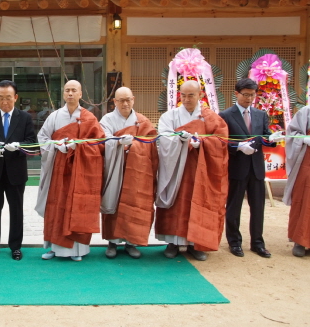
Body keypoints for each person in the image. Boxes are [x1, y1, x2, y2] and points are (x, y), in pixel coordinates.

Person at [155, 80, 229, 261]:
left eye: (191, 95)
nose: (186, 99)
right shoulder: (170, 116)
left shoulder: (211, 118)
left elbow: (221, 140)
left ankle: (196, 243)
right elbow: (163, 137)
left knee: (198, 203)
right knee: (176, 204)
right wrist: (181, 141)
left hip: (201, 168)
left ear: (200, 95)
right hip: (175, 168)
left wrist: (202, 143)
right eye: (184, 95)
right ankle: (172, 242)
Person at [35, 80, 105, 261]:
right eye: (67, 90)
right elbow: (42, 137)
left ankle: (77, 250)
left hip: (81, 171)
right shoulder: (55, 116)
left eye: (74, 90)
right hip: (59, 169)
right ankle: (52, 247)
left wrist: (79, 147)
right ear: (63, 94)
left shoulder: (89, 118)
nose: (71, 94)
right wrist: (56, 146)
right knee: (56, 205)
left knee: (78, 205)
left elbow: (100, 143)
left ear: (81, 94)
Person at [219, 78, 284, 258]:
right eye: (245, 95)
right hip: (237, 167)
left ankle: (257, 243)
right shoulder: (225, 115)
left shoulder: (260, 114)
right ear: (236, 94)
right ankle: (234, 242)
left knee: (258, 207)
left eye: (252, 95)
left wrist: (273, 138)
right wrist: (238, 147)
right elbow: (221, 141)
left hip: (256, 167)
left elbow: (266, 137)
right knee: (234, 206)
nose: (249, 99)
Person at [0, 80, 36, 261]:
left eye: (8, 98)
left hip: (16, 172)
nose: (4, 102)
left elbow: (32, 143)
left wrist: (19, 146)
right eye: (1, 98)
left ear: (15, 98)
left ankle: (15, 247)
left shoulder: (24, 118)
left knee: (16, 209)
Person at [100, 87, 158, 259]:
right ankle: (112, 242)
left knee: (134, 203)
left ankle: (131, 242)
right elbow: (103, 139)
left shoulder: (142, 121)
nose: (125, 103)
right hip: (115, 168)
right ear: (115, 102)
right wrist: (118, 143)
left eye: (128, 100)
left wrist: (135, 146)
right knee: (115, 202)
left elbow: (152, 144)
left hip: (137, 170)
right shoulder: (107, 119)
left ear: (133, 99)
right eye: (121, 100)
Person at [284, 105, 310, 257]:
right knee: (303, 197)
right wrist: (303, 140)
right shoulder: (306, 111)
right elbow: (292, 133)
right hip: (307, 158)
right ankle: (299, 240)